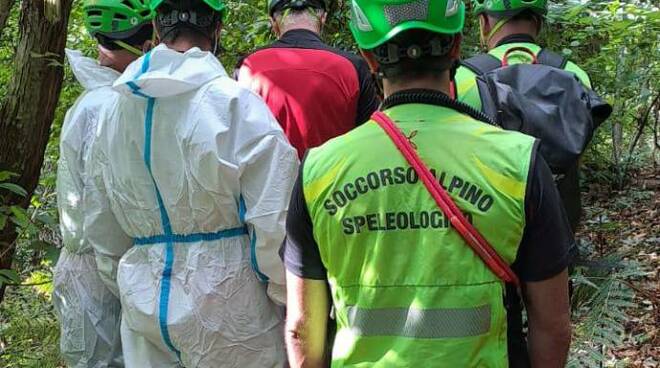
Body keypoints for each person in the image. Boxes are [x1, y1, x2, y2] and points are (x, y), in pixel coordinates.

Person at [282, 0, 574, 367]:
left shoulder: (321, 169)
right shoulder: (518, 161)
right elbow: (554, 325)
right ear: (455, 47)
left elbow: (301, 328)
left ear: (368, 58)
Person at [83, 0, 298, 366]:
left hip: (144, 300)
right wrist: (286, 297)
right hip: (233, 307)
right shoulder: (236, 105)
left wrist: (127, 281)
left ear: (155, 27)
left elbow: (101, 223)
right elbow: (273, 220)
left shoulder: (112, 112)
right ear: (217, 29)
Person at [53, 1, 154, 366]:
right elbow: (102, 208)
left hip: (98, 268)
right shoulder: (106, 104)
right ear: (143, 45)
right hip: (99, 269)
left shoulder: (98, 97)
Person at [454, 0, 596, 233]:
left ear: (485, 23)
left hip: (488, 222)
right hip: (558, 226)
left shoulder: (461, 78)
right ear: (538, 22)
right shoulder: (575, 75)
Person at [236, 0, 379, 157]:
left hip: (265, 180)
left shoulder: (247, 66)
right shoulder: (354, 66)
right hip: (334, 178)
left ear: (274, 23)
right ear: (322, 18)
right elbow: (369, 137)